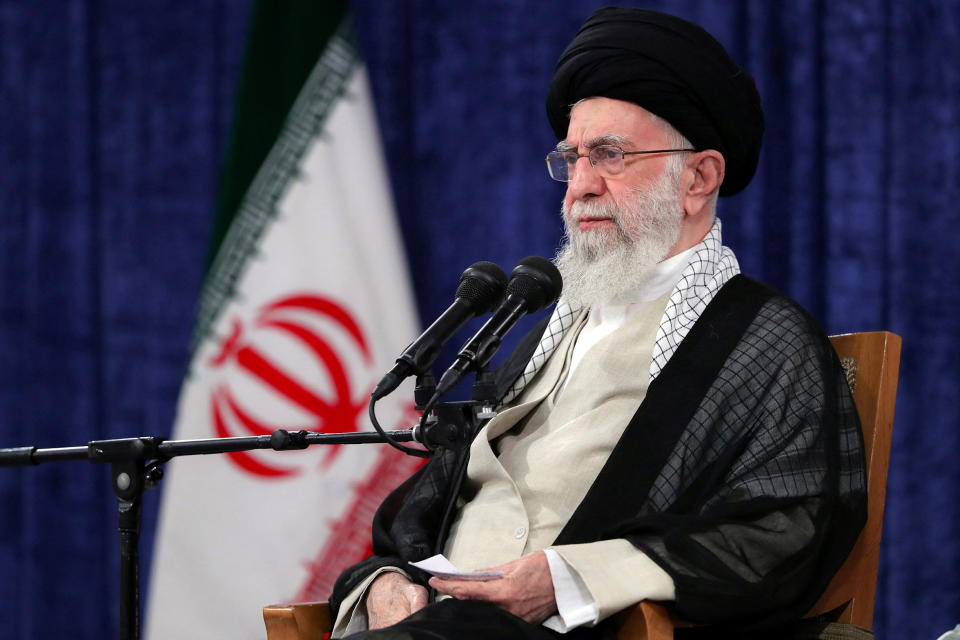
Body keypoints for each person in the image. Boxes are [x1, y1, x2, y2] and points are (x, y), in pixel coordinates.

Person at [329, 7, 867, 639]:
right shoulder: (544, 334)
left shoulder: (762, 342)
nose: (579, 185)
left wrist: (568, 578)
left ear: (699, 177)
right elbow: (427, 506)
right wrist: (387, 582)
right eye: (571, 157)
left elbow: (786, 527)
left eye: (609, 155)